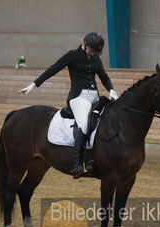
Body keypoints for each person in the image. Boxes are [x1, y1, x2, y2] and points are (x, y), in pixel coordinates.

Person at [18, 32, 118, 179]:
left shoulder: (95, 57)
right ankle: (77, 164)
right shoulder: (72, 55)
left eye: (95, 52)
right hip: (79, 98)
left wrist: (111, 90)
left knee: (101, 123)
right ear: (85, 44)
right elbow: (53, 69)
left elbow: (104, 77)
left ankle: (93, 159)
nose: (92, 54)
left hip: (94, 97)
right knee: (83, 125)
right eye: (91, 50)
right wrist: (34, 85)